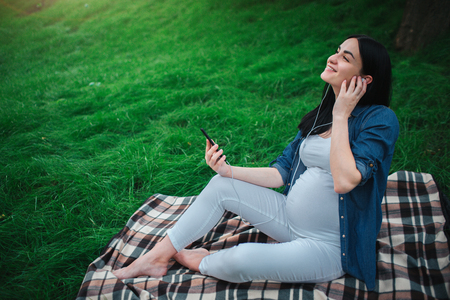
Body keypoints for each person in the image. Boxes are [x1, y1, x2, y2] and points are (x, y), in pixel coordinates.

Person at [113, 35, 399, 291]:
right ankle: (156, 257)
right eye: (336, 51)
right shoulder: (319, 117)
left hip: (329, 246)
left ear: (365, 79)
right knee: (220, 184)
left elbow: (345, 180)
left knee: (241, 258)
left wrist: (341, 114)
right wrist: (228, 171)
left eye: (345, 57)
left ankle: (205, 262)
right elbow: (281, 173)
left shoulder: (379, 120)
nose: (332, 58)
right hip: (288, 218)